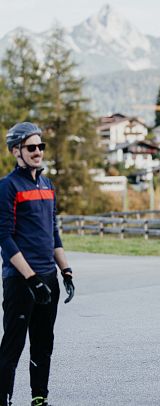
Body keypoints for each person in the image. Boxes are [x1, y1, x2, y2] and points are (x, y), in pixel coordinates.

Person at [0, 122, 75, 406]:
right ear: (15, 151)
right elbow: (5, 238)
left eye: (40, 146)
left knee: (43, 343)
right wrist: (31, 279)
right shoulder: (8, 187)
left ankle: (39, 398)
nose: (37, 152)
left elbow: (53, 232)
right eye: (31, 147)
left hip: (48, 277)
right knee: (13, 345)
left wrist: (65, 270)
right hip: (21, 281)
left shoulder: (47, 185)